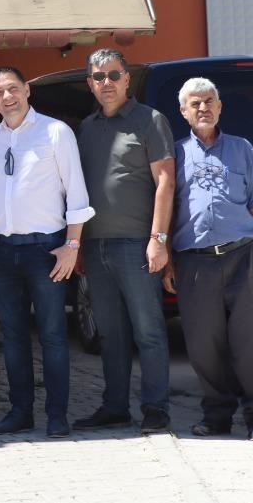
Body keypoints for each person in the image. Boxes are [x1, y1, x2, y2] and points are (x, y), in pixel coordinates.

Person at [164, 78, 253, 443]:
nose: (203, 108)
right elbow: (167, 210)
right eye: (195, 103)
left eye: (209, 101)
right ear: (183, 111)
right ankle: (216, 416)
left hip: (244, 256)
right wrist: (167, 260)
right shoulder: (175, 154)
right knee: (204, 345)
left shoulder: (241, 148)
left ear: (219, 107)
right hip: (194, 262)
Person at [0, 67, 93, 439]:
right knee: (12, 337)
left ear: (27, 90)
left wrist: (72, 247)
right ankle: (20, 412)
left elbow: (76, 192)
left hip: (46, 249)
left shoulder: (55, 132)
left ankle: (57, 416)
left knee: (53, 335)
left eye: (13, 88)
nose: (7, 97)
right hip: (1, 250)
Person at [75, 49, 176, 434]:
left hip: (137, 245)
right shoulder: (87, 127)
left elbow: (166, 182)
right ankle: (115, 406)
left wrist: (158, 239)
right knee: (110, 334)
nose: (107, 83)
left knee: (148, 331)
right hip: (95, 245)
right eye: (99, 77)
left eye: (114, 75)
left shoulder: (150, 120)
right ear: (90, 83)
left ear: (127, 78)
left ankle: (156, 409)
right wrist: (79, 244)